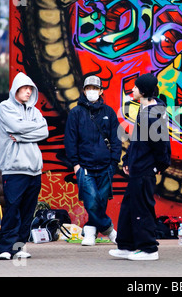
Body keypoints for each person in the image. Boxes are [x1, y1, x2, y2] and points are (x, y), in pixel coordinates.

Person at [109, 73, 171, 261]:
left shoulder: (153, 114)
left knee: (142, 208)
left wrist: (159, 165)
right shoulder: (145, 111)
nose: (133, 90)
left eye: (136, 87)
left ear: (143, 91)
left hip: (145, 170)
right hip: (138, 167)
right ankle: (127, 246)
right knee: (129, 207)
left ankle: (148, 249)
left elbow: (161, 145)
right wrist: (128, 160)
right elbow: (138, 141)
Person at [64, 75, 121, 245]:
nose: (91, 92)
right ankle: (110, 230)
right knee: (91, 201)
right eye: (88, 88)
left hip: (106, 167)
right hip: (84, 167)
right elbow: (70, 140)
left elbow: (116, 139)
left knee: (100, 202)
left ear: (101, 91)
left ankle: (89, 232)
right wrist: (76, 165)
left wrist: (113, 163)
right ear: (83, 90)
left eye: (95, 88)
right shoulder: (76, 113)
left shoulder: (109, 112)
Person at [0, 72, 49, 260]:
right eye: (25, 88)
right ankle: (5, 248)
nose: (28, 92)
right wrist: (24, 129)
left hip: (35, 170)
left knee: (27, 213)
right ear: (16, 89)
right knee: (12, 210)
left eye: (30, 89)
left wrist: (20, 136)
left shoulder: (35, 111)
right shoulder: (5, 107)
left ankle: (19, 248)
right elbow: (14, 126)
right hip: (14, 169)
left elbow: (44, 131)